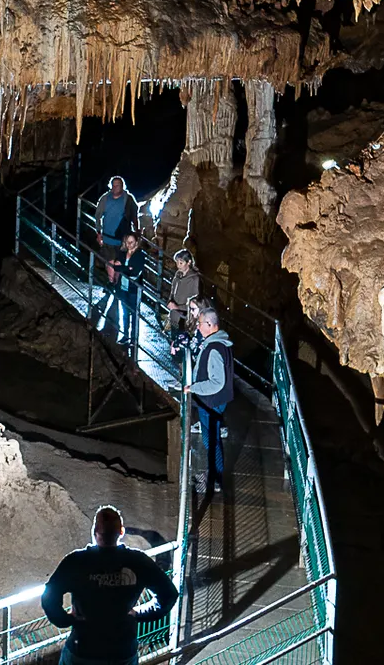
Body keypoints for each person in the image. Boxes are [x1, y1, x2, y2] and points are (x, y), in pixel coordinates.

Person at [41, 506, 178, 665]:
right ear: (121, 532)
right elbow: (169, 594)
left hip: (83, 649)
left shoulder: (76, 561)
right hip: (122, 651)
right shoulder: (138, 561)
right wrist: (140, 613)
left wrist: (66, 620)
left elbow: (49, 596)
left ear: (94, 531)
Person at [186, 306, 234, 493]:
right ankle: (213, 473)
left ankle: (216, 479)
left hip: (212, 401)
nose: (197, 327)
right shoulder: (220, 343)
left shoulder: (214, 348)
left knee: (212, 440)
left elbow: (216, 382)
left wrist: (193, 388)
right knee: (210, 438)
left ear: (209, 324)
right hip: (213, 401)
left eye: (199, 324)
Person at [111, 233, 148, 347]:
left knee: (134, 313)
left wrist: (123, 268)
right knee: (125, 313)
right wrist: (127, 268)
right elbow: (116, 266)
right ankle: (125, 335)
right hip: (123, 287)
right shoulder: (122, 253)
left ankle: (134, 338)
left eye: (131, 242)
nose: (129, 244)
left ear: (136, 242)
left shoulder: (140, 255)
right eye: (127, 242)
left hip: (134, 289)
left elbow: (135, 272)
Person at [165, 249, 201, 348]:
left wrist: (178, 307)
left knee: (182, 342)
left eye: (181, 263)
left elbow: (196, 300)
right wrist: (170, 301)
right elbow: (172, 292)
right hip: (174, 315)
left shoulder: (195, 279)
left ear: (188, 262)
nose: (178, 265)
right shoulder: (177, 276)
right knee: (173, 339)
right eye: (177, 262)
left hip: (185, 316)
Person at [96, 177, 139, 251]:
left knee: (120, 262)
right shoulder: (105, 198)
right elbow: (98, 216)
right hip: (107, 239)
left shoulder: (128, 199)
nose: (115, 188)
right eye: (113, 185)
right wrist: (98, 232)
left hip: (123, 240)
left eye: (117, 185)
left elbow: (134, 216)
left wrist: (136, 231)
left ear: (122, 186)